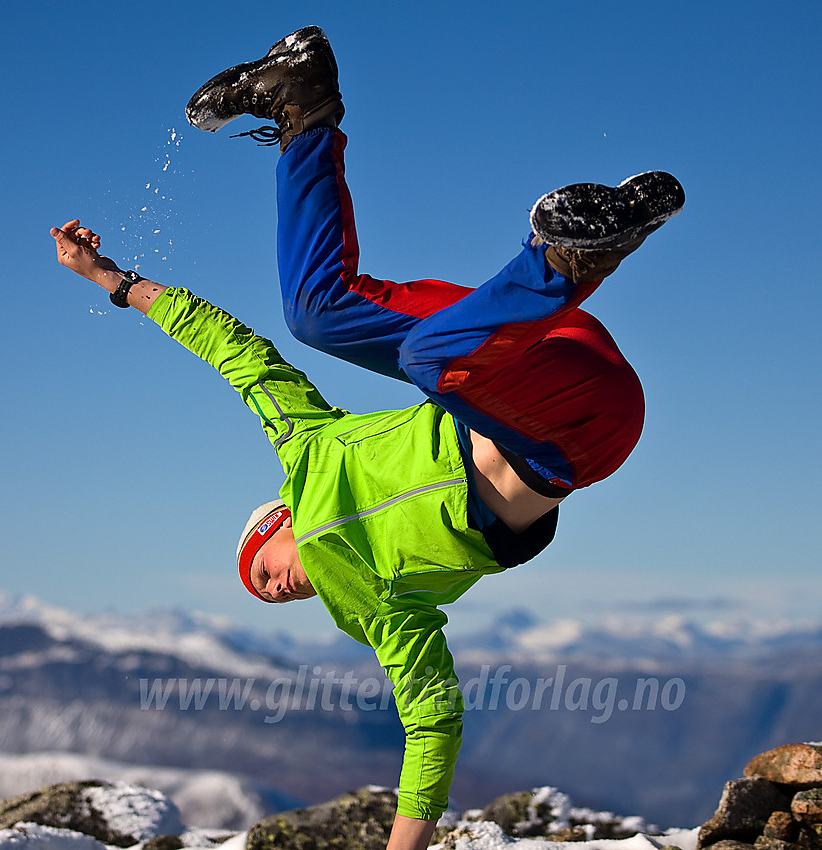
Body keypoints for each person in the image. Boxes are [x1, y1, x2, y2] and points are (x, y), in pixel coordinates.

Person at [51, 25, 683, 850]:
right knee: (431, 355)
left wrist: (113, 281)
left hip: (528, 344)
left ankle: (303, 107)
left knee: (315, 313)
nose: (270, 588)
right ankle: (583, 250)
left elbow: (231, 350)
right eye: (266, 592)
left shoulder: (307, 450)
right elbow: (431, 715)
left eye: (262, 569)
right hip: (573, 431)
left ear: (277, 520)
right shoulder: (376, 611)